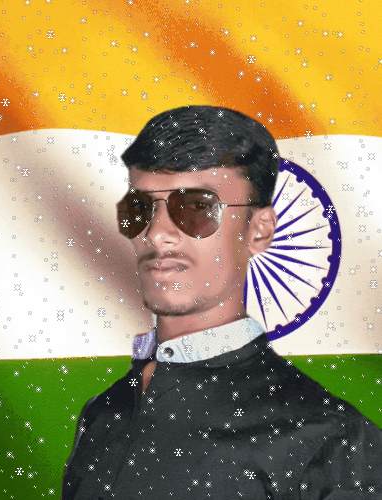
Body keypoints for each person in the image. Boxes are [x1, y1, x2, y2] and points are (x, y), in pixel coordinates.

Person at [61, 106, 382, 499]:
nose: (157, 233)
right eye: (139, 209)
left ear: (259, 231)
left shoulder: (332, 438)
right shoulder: (102, 412)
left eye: (197, 208)